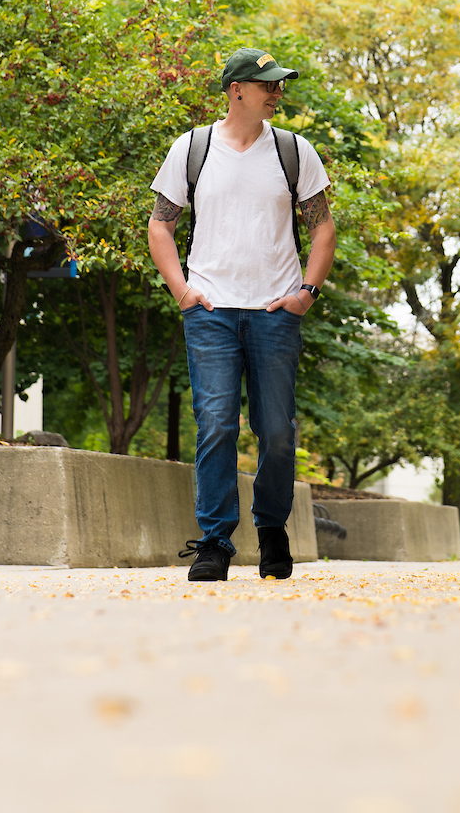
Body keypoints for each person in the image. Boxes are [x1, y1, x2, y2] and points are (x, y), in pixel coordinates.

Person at [147, 48, 338, 582]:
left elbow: (322, 227)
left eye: (279, 85)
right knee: (215, 426)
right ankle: (214, 542)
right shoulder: (193, 148)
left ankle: (272, 528)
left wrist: (306, 292)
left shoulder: (294, 151)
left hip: (277, 309)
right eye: (267, 85)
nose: (277, 92)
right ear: (236, 89)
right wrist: (182, 290)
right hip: (211, 312)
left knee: (277, 429)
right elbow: (160, 223)